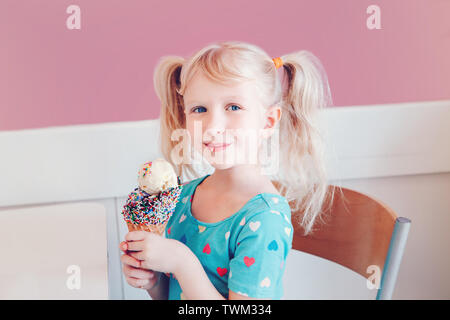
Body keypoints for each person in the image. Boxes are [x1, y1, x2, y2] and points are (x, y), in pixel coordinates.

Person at [119, 41, 337, 300]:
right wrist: (153, 282)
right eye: (199, 109)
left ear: (267, 122)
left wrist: (181, 262)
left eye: (233, 107)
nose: (213, 125)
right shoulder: (183, 197)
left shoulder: (265, 218)